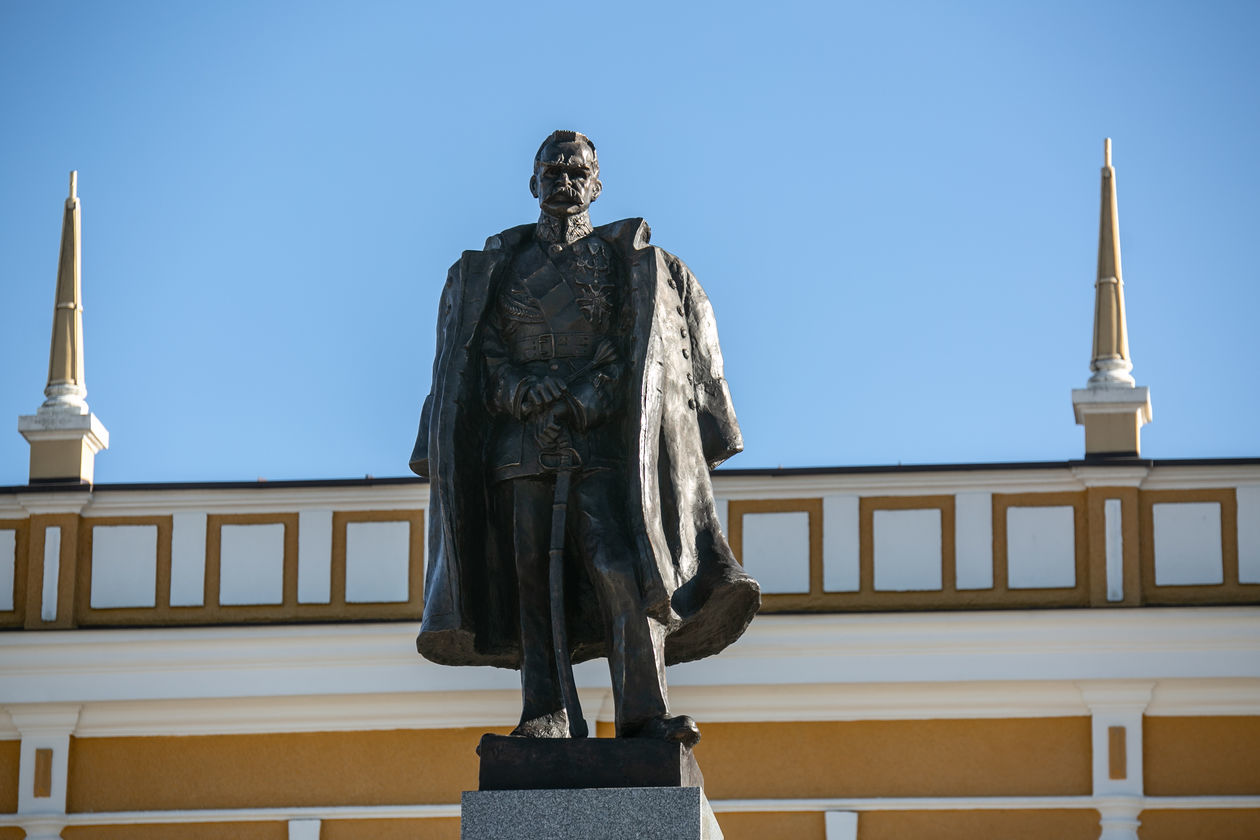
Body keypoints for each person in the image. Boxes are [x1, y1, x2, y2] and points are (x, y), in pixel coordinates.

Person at [410, 130, 758, 747]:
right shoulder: (497, 268)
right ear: (533, 183)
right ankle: (546, 713)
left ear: (597, 185)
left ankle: (643, 714)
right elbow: (481, 354)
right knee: (530, 580)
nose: (564, 183)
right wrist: (522, 391)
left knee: (620, 566)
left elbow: (630, 348)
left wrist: (581, 399)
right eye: (553, 172)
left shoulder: (623, 262)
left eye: (577, 173)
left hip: (599, 443)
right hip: (520, 446)